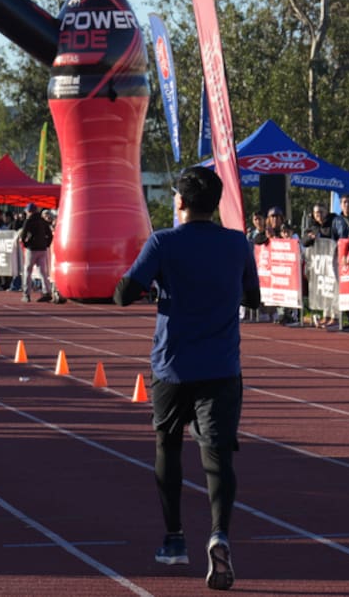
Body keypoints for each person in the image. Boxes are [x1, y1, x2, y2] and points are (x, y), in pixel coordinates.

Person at [113, 166, 260, 591]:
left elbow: (123, 294)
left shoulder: (164, 241)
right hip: (221, 366)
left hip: (172, 365)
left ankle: (174, 538)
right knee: (217, 455)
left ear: (179, 202)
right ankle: (219, 534)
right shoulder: (236, 243)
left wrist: (153, 282)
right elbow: (253, 297)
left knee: (168, 444)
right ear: (215, 204)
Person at [18, 202, 58, 303]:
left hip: (32, 249)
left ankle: (26, 294)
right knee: (42, 272)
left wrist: (26, 244)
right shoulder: (42, 221)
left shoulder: (28, 221)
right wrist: (47, 244)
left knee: (27, 271)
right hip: (42, 249)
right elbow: (50, 234)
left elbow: (23, 235)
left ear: (28, 211)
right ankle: (46, 292)